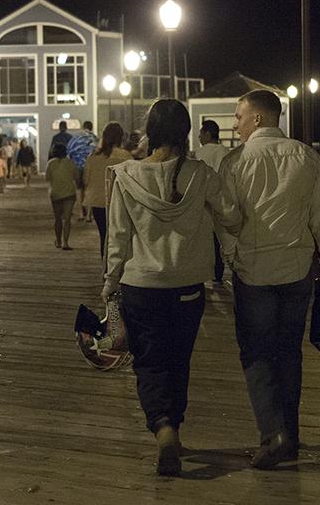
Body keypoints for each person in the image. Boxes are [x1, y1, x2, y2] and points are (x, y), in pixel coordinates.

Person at [101, 99, 240, 476]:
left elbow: (117, 238)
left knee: (149, 362)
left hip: (140, 285)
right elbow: (231, 215)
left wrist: (110, 282)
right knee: (178, 359)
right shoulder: (200, 174)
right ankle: (174, 427)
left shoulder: (125, 175)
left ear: (150, 132)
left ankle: (162, 427)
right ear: (185, 132)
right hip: (187, 286)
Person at [218, 89, 320, 469]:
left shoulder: (235, 162)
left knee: (257, 353)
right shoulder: (307, 157)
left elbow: (227, 220)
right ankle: (290, 435)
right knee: (289, 352)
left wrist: (231, 257)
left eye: (239, 116)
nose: (235, 123)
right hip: (297, 271)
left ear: (257, 118)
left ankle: (272, 434)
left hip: (254, 272)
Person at [82, 122, 132, 257]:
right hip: (119, 202)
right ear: (121, 138)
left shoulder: (93, 157)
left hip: (98, 201)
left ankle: (105, 267)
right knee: (118, 237)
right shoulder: (126, 157)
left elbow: (86, 180)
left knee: (104, 235)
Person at [194, 119, 230, 284]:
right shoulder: (225, 151)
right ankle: (219, 270)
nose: (199, 137)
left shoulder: (200, 153)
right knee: (219, 237)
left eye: (201, 133)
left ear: (208, 134)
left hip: (202, 201)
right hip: (221, 197)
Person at [45, 143, 79, 250]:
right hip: (69, 193)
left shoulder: (50, 163)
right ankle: (65, 242)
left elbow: (47, 178)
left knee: (58, 218)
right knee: (67, 219)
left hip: (56, 193)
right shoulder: (70, 163)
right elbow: (77, 176)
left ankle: (58, 241)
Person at [67, 120, 98, 221]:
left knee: (79, 189)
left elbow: (69, 151)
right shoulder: (95, 138)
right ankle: (89, 215)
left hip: (78, 166)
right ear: (91, 127)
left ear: (83, 127)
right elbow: (99, 151)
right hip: (91, 166)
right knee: (89, 189)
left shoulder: (76, 137)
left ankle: (81, 213)